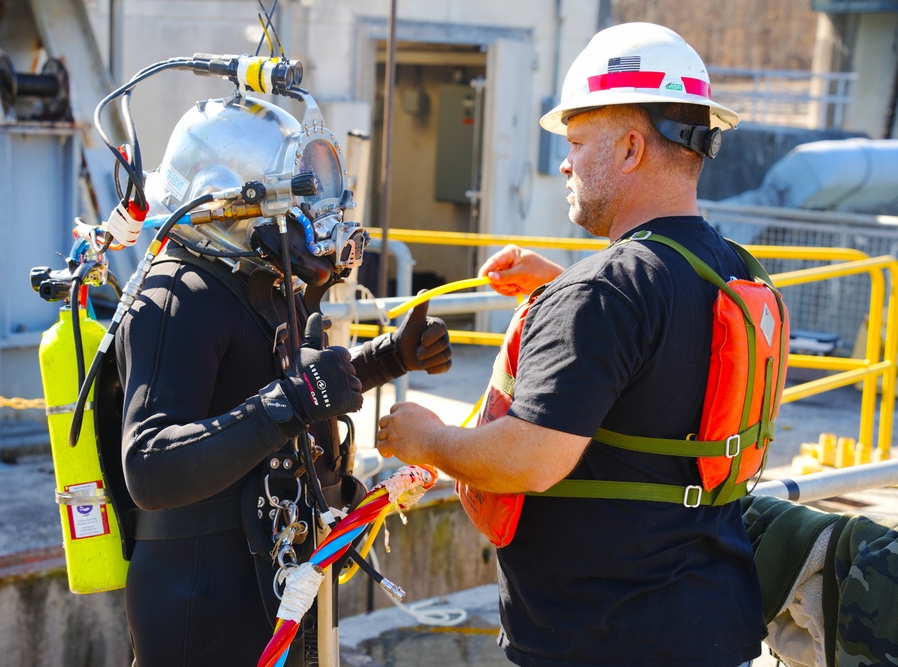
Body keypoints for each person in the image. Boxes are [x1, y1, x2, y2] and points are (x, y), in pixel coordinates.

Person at [376, 22, 766, 667]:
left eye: (578, 141)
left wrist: (426, 438)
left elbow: (529, 460)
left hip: (602, 637)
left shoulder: (604, 294)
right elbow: (659, 365)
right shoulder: (735, 272)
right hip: (713, 622)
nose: (564, 161)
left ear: (632, 148)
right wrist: (557, 289)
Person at [111, 93, 452, 667]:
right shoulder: (176, 297)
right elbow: (149, 465)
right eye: (295, 204)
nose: (316, 225)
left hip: (275, 575)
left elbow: (293, 387)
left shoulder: (264, 285)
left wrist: (389, 358)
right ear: (232, 201)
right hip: (202, 603)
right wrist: (292, 402)